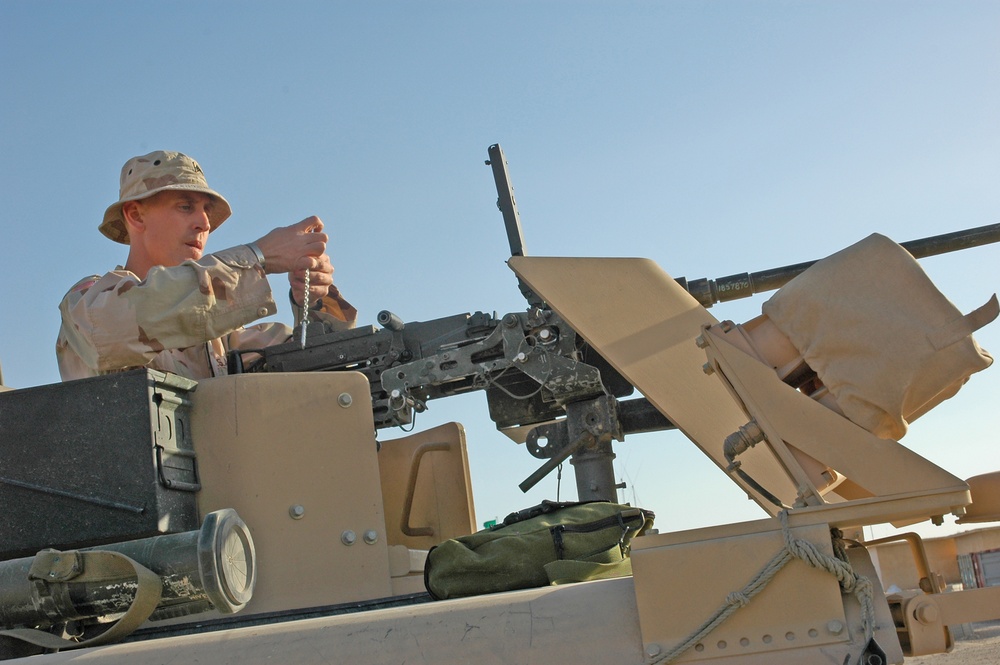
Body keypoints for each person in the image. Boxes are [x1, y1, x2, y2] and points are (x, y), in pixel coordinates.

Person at [56, 150, 357, 381]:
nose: (203, 223)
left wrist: (318, 299)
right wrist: (257, 256)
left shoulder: (220, 338)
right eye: (185, 207)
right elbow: (110, 331)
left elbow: (322, 364)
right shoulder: (91, 302)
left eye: (206, 212)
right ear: (135, 215)